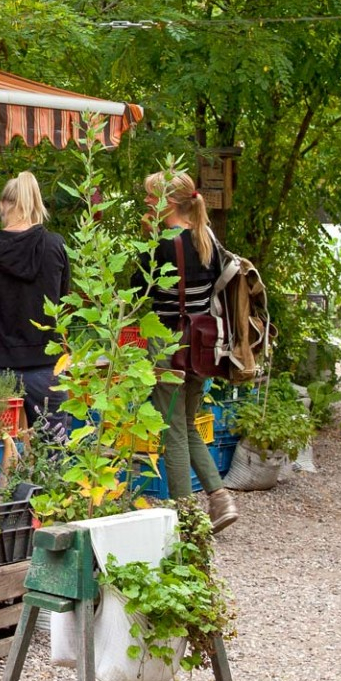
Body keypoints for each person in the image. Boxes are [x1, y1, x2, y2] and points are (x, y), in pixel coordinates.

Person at [138, 169, 237, 534]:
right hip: (202, 344)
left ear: (168, 202)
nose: (148, 202)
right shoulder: (207, 237)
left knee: (173, 430)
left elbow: (140, 292)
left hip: (168, 344)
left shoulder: (162, 244)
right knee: (189, 423)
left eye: (153, 197)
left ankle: (187, 517)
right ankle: (220, 497)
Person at [0, 172, 71, 437]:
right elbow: (63, 305)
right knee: (54, 450)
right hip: (45, 365)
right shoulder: (55, 246)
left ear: (3, 205)